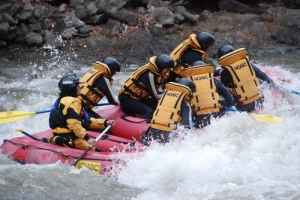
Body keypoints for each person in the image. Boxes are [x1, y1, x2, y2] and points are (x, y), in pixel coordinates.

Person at [46, 74, 116, 151]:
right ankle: (59, 141)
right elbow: (74, 123)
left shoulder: (63, 99)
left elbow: (86, 121)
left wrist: (105, 123)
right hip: (68, 137)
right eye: (78, 86)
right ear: (72, 89)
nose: (80, 87)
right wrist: (87, 138)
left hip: (64, 135)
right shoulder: (72, 102)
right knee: (96, 151)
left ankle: (54, 140)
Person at [216, 45, 274, 112]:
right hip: (260, 100)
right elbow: (263, 76)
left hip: (243, 106)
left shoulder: (225, 72)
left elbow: (223, 89)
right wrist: (272, 83)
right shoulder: (248, 64)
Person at [140, 78, 196, 146]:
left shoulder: (164, 97)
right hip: (167, 135)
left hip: (152, 131)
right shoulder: (185, 105)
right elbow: (188, 126)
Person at [181, 61, 235, 128]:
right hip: (216, 115)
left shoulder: (188, 83)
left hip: (199, 118)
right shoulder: (213, 79)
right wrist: (227, 105)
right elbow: (228, 97)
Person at [118, 54, 174, 120]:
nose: (168, 71)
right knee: (148, 112)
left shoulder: (157, 74)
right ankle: (145, 129)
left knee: (159, 106)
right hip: (127, 99)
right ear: (160, 67)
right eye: (167, 69)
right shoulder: (148, 75)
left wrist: (165, 93)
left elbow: (156, 91)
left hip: (140, 99)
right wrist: (169, 95)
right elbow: (155, 95)